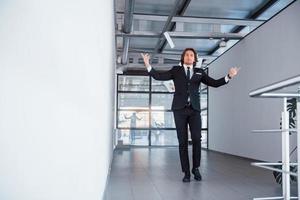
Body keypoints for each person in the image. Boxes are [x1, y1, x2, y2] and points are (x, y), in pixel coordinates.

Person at [141, 48, 240, 182]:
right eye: (187, 55)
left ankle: (196, 168)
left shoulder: (199, 72)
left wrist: (229, 76)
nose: (189, 57)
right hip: (179, 110)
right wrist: (148, 65)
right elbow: (159, 76)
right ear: (183, 57)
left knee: (196, 139)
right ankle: (186, 172)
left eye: (191, 55)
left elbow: (215, 83)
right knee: (182, 142)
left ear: (194, 59)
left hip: (194, 110)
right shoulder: (176, 70)